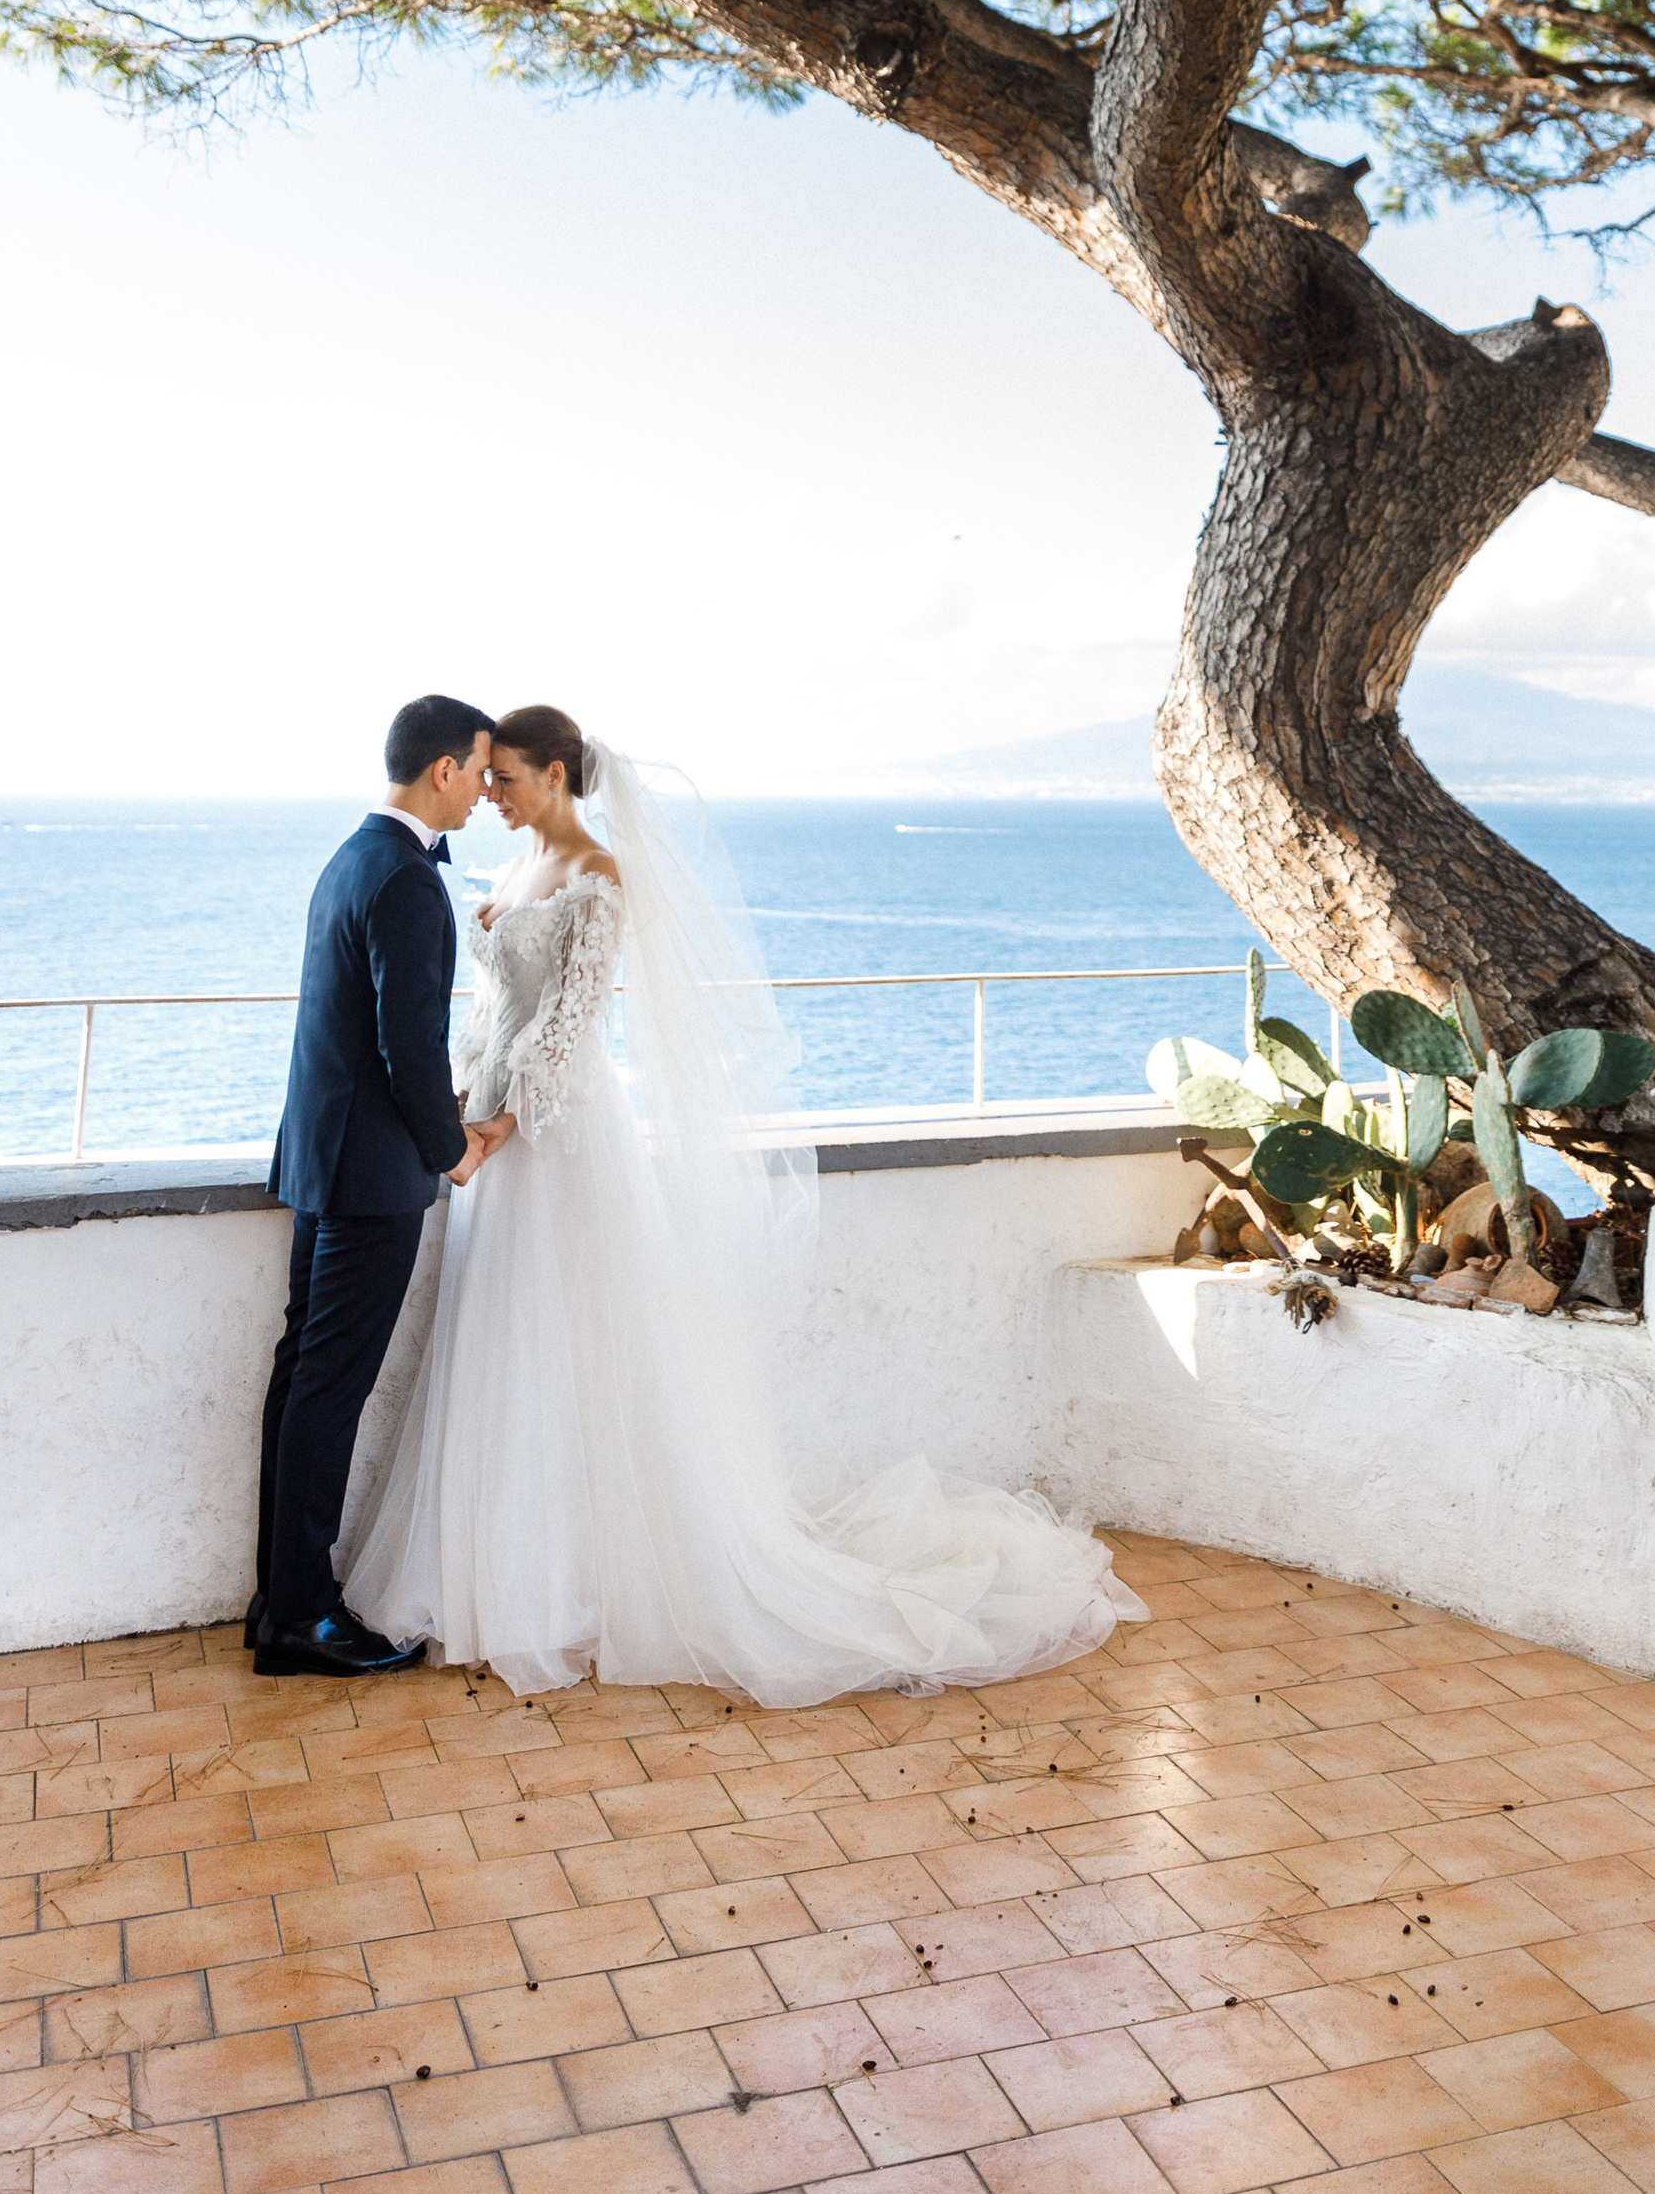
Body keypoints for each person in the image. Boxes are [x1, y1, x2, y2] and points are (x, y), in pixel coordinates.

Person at [339, 703, 1143, 1699]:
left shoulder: (601, 878)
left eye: (505, 779)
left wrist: (497, 1129)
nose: (490, 796)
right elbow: (496, 1013)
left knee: (570, 1341)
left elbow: (569, 1024)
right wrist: (470, 1100)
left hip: (557, 1135)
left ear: (554, 774)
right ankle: (502, 1573)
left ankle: (579, 1582)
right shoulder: (508, 873)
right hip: (497, 1137)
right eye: (486, 779)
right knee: (505, 1341)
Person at [250, 694, 503, 1681]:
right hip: (369, 1178)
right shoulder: (403, 880)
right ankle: (302, 1618)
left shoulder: (351, 856)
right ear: (443, 769)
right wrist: (452, 1150)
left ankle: (281, 1601)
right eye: (479, 772)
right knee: (328, 1389)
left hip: (321, 1159)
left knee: (301, 1381)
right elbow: (407, 1049)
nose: (484, 792)